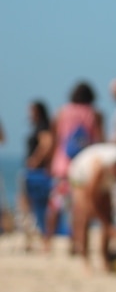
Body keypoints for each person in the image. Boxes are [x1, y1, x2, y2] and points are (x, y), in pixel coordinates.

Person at [45, 81, 104, 258]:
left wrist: (49, 162)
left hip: (62, 165)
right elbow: (99, 140)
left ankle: (48, 241)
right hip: (83, 168)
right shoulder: (94, 114)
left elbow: (53, 140)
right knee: (79, 208)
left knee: (56, 205)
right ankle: (76, 243)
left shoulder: (61, 112)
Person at [69, 143, 116, 271]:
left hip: (103, 176)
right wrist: (109, 228)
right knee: (85, 216)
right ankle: (85, 259)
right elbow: (91, 198)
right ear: (115, 168)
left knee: (107, 215)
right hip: (80, 175)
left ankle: (105, 259)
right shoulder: (99, 167)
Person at [16, 100, 54, 251]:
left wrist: (35, 160)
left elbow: (47, 144)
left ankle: (38, 239)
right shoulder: (39, 126)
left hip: (37, 173)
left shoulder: (43, 127)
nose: (28, 114)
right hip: (36, 172)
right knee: (32, 206)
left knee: (33, 206)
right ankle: (33, 239)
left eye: (31, 110)